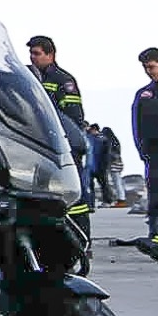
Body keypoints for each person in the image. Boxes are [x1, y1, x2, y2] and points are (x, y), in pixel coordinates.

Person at [27, 36, 93, 201]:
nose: (32, 57)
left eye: (37, 53)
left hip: (63, 143)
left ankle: (80, 224)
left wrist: (69, 142)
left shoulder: (63, 80)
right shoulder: (29, 78)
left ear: (50, 55)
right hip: (40, 143)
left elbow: (74, 116)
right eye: (31, 53)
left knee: (73, 191)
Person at [131, 47, 158, 261]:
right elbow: (137, 125)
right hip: (155, 155)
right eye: (145, 68)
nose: (148, 71)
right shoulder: (145, 94)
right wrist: (142, 150)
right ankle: (157, 240)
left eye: (151, 67)